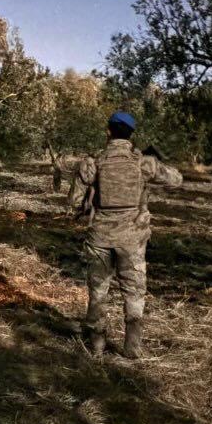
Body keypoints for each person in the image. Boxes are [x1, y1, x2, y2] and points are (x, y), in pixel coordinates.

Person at [66, 111, 183, 359]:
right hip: (133, 238)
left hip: (100, 237)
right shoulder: (144, 163)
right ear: (131, 134)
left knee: (98, 291)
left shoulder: (92, 162)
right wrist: (154, 161)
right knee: (134, 292)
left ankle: (96, 346)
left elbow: (74, 201)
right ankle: (132, 348)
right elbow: (176, 180)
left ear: (108, 131)